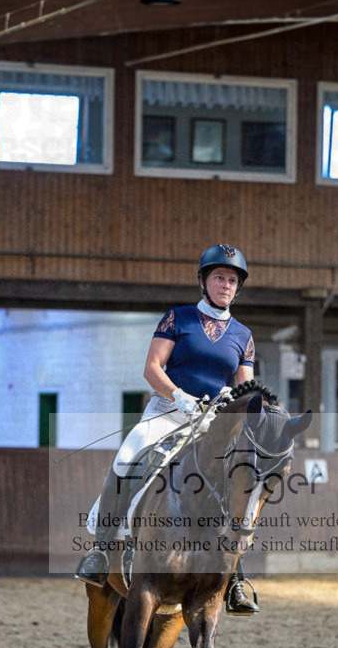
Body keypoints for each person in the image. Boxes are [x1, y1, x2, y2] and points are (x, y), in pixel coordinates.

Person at [76, 243, 260, 614]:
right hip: (168, 413)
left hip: (212, 423)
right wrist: (179, 396)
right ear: (204, 281)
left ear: (238, 288)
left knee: (234, 484)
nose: (225, 284)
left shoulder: (243, 335)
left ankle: (235, 580)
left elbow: (247, 388)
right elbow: (152, 368)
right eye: (219, 277)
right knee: (128, 458)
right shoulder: (178, 318)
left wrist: (232, 399)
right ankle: (100, 550)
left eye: (232, 280)